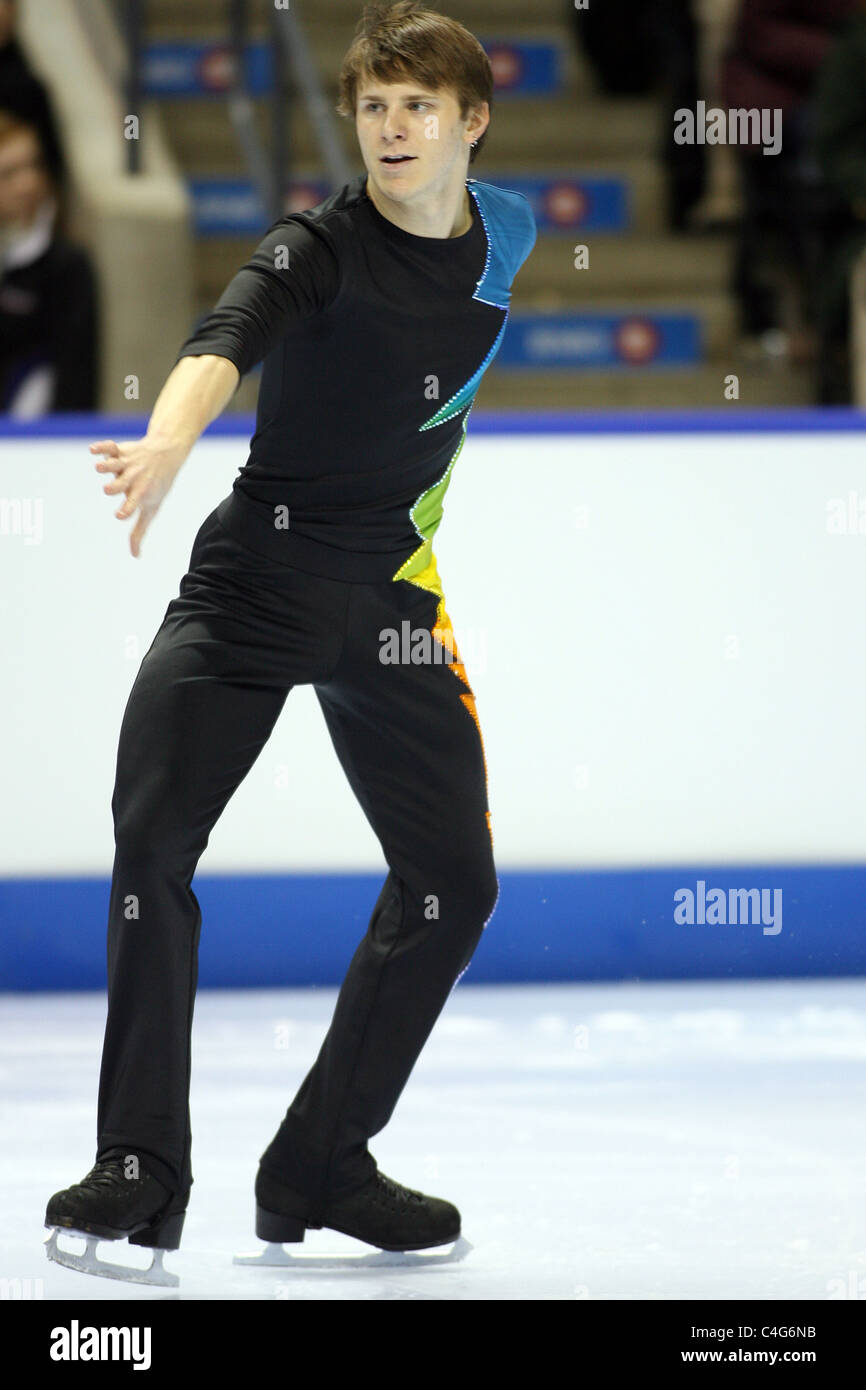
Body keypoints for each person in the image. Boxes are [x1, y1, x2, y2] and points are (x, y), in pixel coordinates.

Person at [43, 0, 536, 1284]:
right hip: (250, 583)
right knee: (152, 839)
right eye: (372, 107)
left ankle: (320, 1163)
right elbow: (225, 340)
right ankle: (140, 1169)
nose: (390, 131)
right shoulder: (313, 247)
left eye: (417, 108)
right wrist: (166, 439)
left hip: (389, 606)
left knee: (454, 885)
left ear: (469, 122)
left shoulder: (514, 237)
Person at [0, 110, 97, 414]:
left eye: (34, 165)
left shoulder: (66, 266)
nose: (27, 183)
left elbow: (77, 376)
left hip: (35, 439)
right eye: (9, 173)